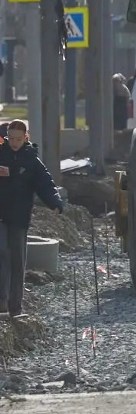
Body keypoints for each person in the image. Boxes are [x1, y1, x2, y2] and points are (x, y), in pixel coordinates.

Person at [0, 119, 65, 317]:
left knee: (18, 261)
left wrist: (55, 202)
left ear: (26, 137)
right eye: (10, 138)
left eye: (18, 139)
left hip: (19, 217)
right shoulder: (1, 154)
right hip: (1, 215)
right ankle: (1, 302)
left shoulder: (31, 161)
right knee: (2, 254)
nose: (14, 142)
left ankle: (15, 307)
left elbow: (45, 183)